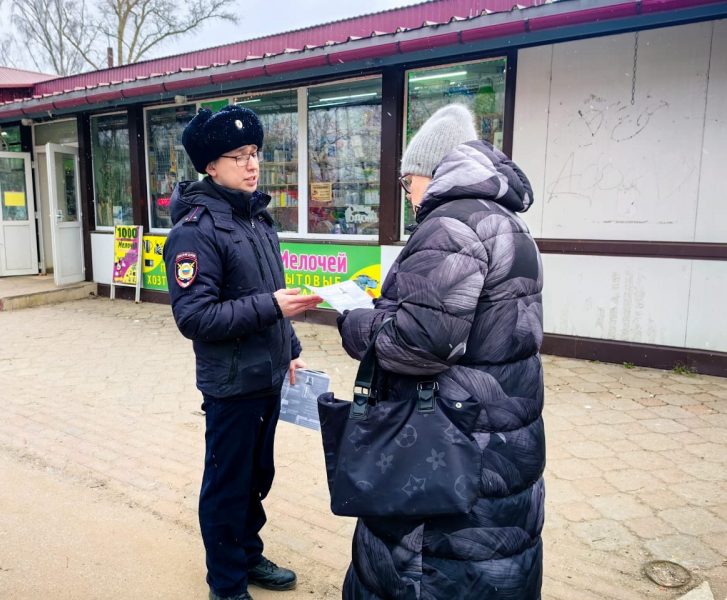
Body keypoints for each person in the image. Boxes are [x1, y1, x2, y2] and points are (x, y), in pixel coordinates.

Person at [337, 104, 545, 599]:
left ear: (431, 174)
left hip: (448, 446)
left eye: (408, 181)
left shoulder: (449, 227)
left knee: (430, 575)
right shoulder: (504, 221)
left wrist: (356, 321)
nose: (408, 195)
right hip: (501, 438)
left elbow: (418, 345)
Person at [163, 104, 323, 600]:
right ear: (211, 165)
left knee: (257, 476)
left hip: (268, 374)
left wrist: (291, 347)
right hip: (232, 385)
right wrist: (271, 307)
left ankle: (248, 556)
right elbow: (195, 318)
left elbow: (270, 291)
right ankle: (227, 585)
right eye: (238, 156)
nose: (252, 165)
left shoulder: (257, 218)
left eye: (254, 153)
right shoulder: (195, 229)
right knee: (227, 486)